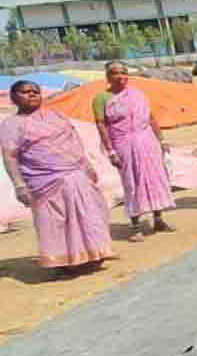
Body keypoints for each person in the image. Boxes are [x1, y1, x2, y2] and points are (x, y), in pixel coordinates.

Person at [1, 81, 113, 273]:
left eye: (35, 92)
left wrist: (86, 165)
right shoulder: (11, 125)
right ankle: (64, 262)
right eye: (25, 92)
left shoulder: (56, 116)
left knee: (89, 213)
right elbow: (10, 156)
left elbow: (74, 140)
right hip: (44, 180)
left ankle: (94, 254)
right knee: (55, 222)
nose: (32, 95)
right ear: (14, 98)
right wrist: (19, 185)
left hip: (76, 172)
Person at [92, 60, 174, 240]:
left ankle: (158, 219)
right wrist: (111, 151)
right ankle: (136, 225)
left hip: (147, 142)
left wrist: (161, 140)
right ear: (107, 77)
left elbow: (150, 117)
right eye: (115, 73)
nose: (120, 76)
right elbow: (101, 126)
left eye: (123, 72)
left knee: (154, 178)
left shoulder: (138, 94)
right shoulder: (101, 99)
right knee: (131, 182)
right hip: (123, 144)